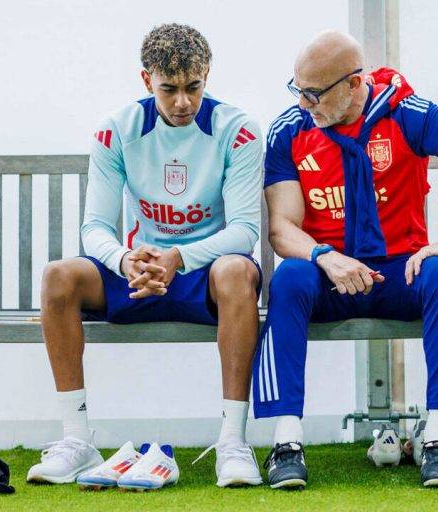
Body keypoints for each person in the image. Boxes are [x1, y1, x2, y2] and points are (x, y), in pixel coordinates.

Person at [254, 30, 438, 489]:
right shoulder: (290, 129)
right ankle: (286, 442)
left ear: (354, 83)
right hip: (330, 276)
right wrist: (324, 256)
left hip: (398, 272)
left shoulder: (405, 112)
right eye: (297, 89)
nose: (304, 103)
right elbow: (282, 228)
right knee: (290, 277)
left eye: (314, 93)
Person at [26, 23, 264, 489]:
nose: (183, 102)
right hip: (137, 272)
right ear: (146, 80)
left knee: (238, 270)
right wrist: (124, 260)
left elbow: (244, 232)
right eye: (168, 89)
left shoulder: (238, 130)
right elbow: (94, 227)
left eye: (194, 87)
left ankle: (233, 442)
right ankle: (76, 440)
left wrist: (179, 256)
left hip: (203, 273)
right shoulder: (116, 129)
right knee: (58, 275)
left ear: (208, 75)